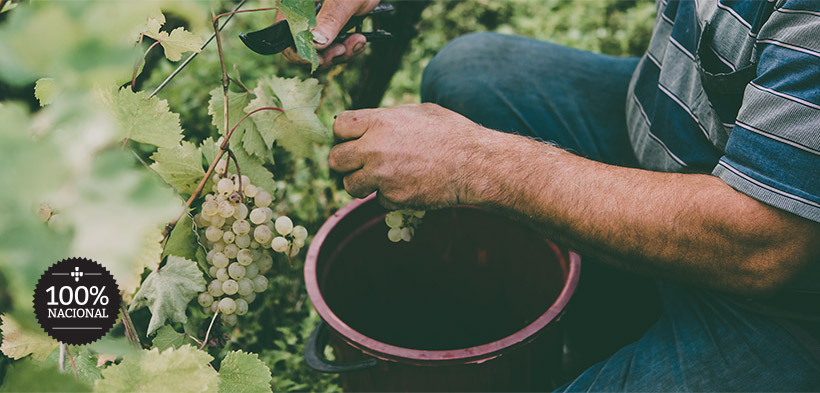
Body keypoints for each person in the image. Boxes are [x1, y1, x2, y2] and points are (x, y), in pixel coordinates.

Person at [288, 0, 820, 390]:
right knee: (469, 77)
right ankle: (619, 326)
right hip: (673, 125)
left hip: (783, 302)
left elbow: (763, 246)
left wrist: (476, 161)